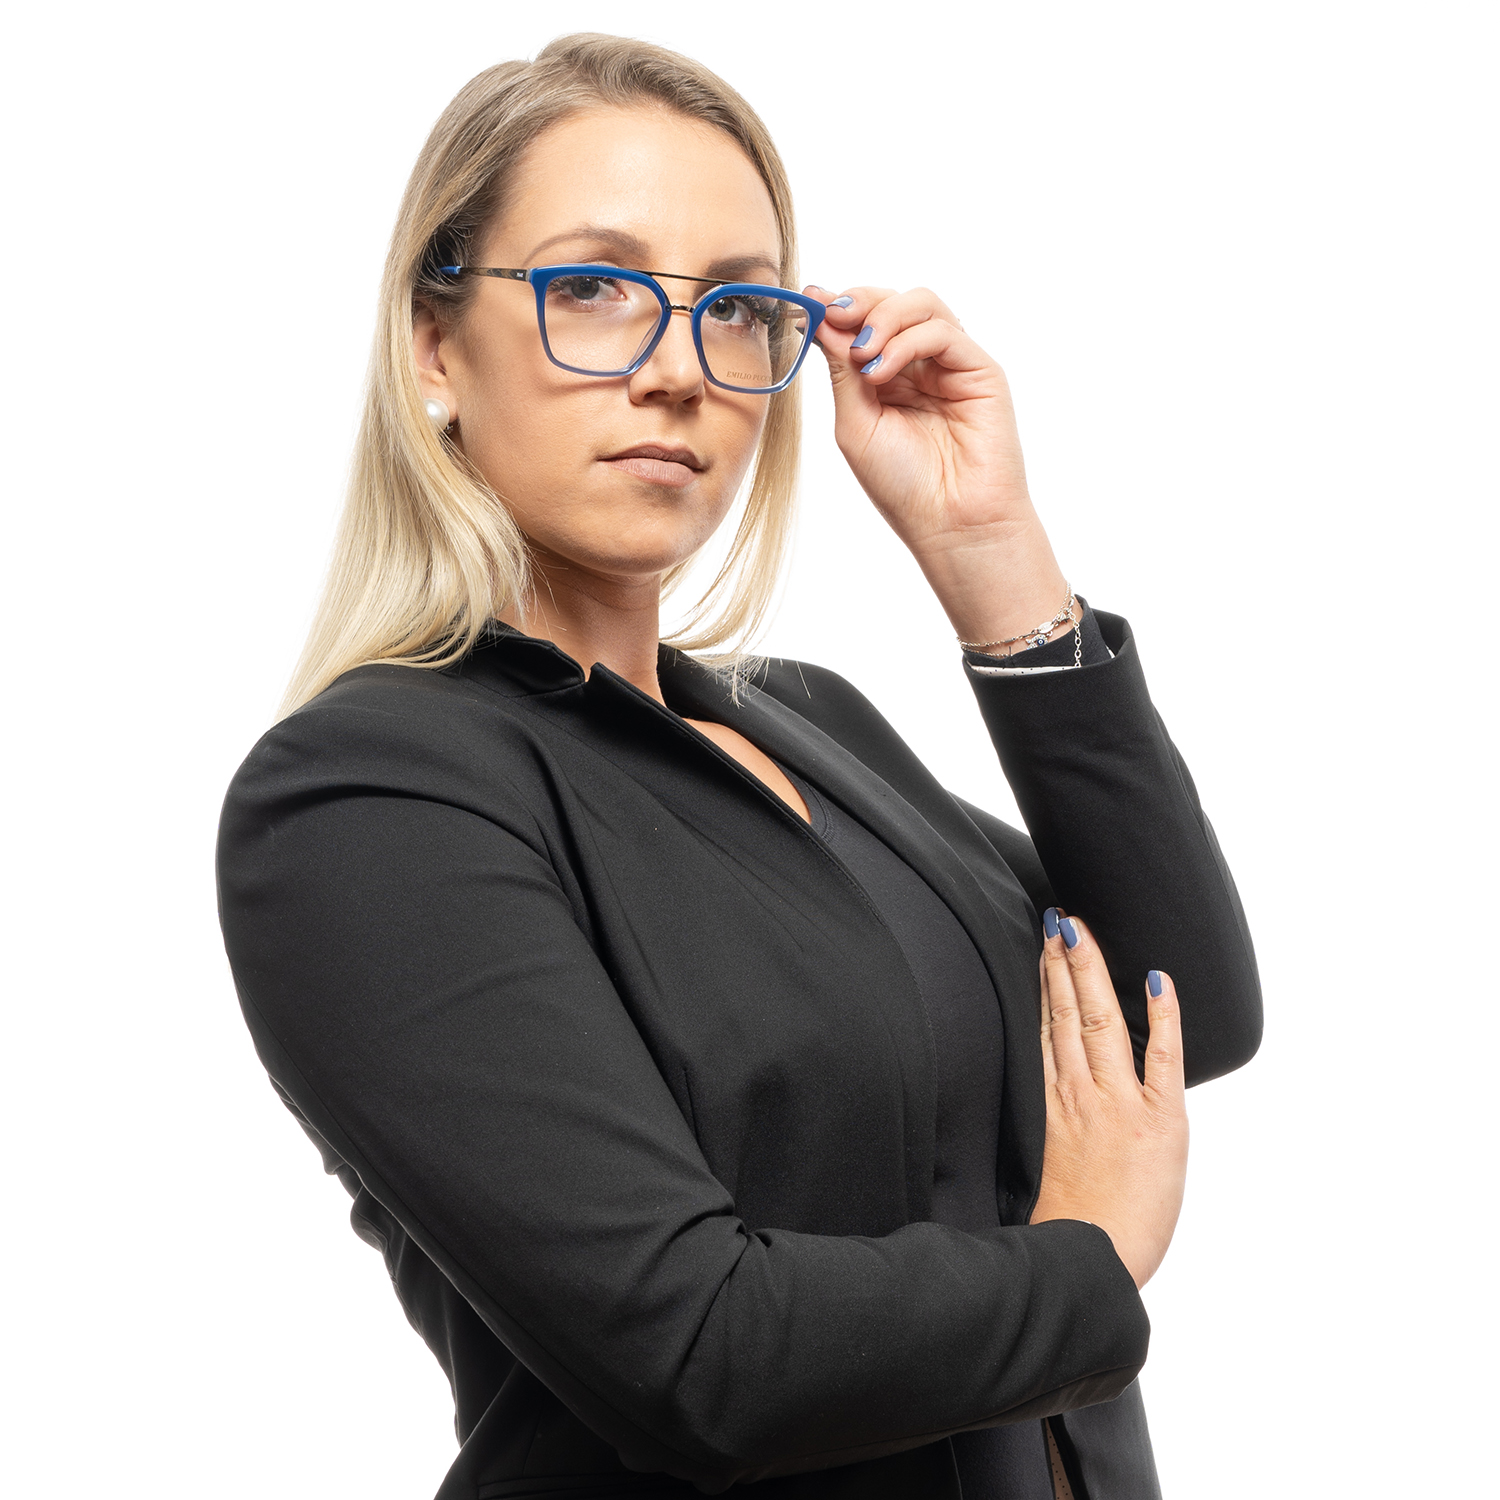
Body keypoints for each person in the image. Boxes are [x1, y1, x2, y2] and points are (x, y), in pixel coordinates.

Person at [216, 32, 1261, 1500]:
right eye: (593, 288)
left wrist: (993, 560)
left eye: (737, 309)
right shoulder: (365, 797)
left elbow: (1175, 1013)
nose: (676, 372)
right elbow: (703, 1359)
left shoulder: (809, 722)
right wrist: (1086, 1258)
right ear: (434, 347)